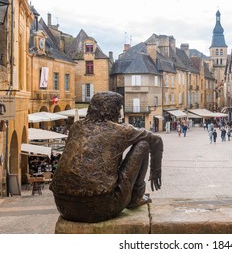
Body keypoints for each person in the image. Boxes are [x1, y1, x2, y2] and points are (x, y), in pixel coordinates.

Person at [50, 91, 163, 223]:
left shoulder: (76, 127)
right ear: (114, 110)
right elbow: (156, 140)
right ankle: (136, 197)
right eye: (119, 109)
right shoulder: (120, 130)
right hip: (100, 207)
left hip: (64, 206)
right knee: (143, 144)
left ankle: (133, 196)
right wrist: (156, 171)